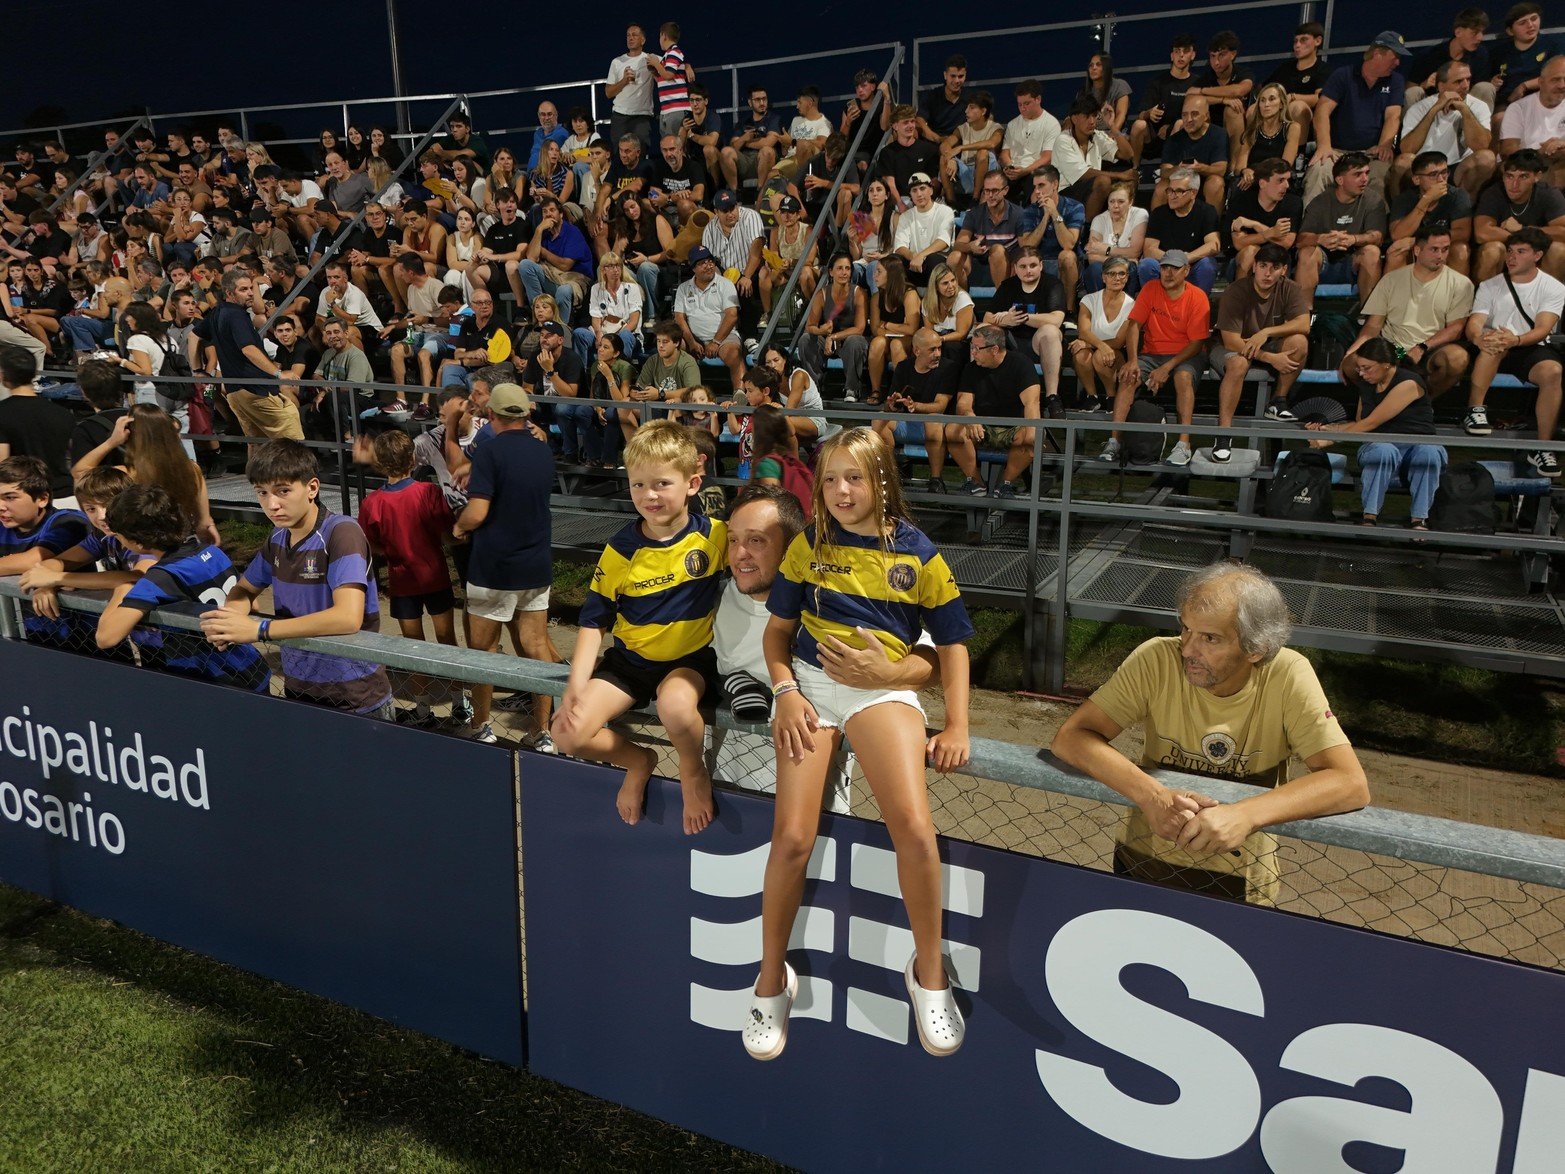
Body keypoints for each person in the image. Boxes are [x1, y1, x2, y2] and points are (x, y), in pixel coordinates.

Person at [746, 426, 972, 1061]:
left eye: (856, 477)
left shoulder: (919, 554)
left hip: (879, 692)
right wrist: (787, 690)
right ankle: (771, 980)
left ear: (882, 480)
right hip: (811, 689)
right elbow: (777, 636)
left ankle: (929, 974)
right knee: (791, 837)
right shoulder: (808, 548)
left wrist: (956, 724)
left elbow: (952, 644)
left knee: (914, 827)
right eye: (831, 478)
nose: (843, 491)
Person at [1052, 563, 1369, 906]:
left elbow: (1350, 784)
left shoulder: (1288, 675)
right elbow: (1071, 736)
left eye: (1210, 638)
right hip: (1142, 862)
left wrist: (1245, 815)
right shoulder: (1157, 659)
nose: (1187, 649)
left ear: (1255, 649)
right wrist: (1152, 797)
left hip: (1241, 881)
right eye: (1186, 628)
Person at [552, 420, 726, 834]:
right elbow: (594, 621)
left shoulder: (716, 536)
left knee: (676, 707)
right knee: (567, 734)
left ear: (693, 483)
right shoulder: (620, 550)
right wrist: (576, 685)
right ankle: (639, 761)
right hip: (629, 662)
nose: (649, 495)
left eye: (662, 483)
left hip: (690, 661)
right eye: (637, 485)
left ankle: (692, 770)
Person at [199, 440, 393, 717]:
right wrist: (231, 620)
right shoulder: (278, 536)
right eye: (262, 493)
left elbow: (348, 618)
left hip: (355, 696)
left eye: (283, 491)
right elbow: (243, 589)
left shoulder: (341, 533)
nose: (272, 504)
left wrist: (258, 630)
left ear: (312, 488)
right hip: (300, 687)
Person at [449, 384, 559, 745]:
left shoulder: (491, 451)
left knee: (484, 651)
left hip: (494, 567)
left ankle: (481, 726)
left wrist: (460, 525)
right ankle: (542, 731)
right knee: (536, 647)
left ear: (492, 416)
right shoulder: (543, 450)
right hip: (536, 565)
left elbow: (478, 511)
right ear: (525, 414)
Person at [93, 486, 271, 692]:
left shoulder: (161, 577)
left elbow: (106, 637)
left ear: (137, 542)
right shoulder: (213, 552)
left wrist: (122, 589)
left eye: (119, 536)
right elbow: (254, 604)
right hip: (252, 669)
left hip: (210, 681)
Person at [357, 430, 461, 726]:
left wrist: (391, 549)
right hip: (436, 577)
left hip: (402, 582)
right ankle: (459, 701)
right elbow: (446, 532)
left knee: (413, 645)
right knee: (446, 640)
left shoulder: (372, 503)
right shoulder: (428, 492)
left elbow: (371, 543)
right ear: (412, 459)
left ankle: (423, 708)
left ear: (379, 463)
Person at [1310, 337, 1448, 529]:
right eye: (1360, 368)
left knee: (1429, 452)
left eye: (1367, 368)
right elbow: (1360, 423)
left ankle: (1419, 519)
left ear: (1386, 365)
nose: (1361, 373)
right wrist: (1327, 430)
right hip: (1379, 446)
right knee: (1383, 450)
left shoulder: (1408, 383)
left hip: (1415, 448)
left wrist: (1330, 440)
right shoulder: (1366, 384)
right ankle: (1369, 516)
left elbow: (1372, 422)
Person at [1463, 227, 1564, 477]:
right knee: (1492, 344)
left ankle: (1542, 446)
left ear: (1537, 255)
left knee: (1553, 371)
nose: (1511, 257)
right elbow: (1475, 322)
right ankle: (1475, 410)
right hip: (1493, 345)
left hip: (1526, 345)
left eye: (1520, 252)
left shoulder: (1553, 287)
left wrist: (1516, 339)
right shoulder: (1490, 285)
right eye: (1510, 251)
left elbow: (1542, 328)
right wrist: (1479, 337)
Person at [1207, 244, 1311, 460]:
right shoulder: (1236, 291)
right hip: (1231, 347)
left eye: (1274, 268)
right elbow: (1231, 341)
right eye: (1263, 266)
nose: (1267, 273)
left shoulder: (1290, 288)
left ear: (1283, 270)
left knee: (1299, 342)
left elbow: (1304, 324)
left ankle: (1277, 401)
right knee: (1239, 363)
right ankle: (1223, 435)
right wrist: (1270, 358)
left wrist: (1266, 332)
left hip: (1266, 343)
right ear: (1254, 266)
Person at [1110, 251, 1211, 467]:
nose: (1168, 273)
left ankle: (1184, 444)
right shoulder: (1150, 288)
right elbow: (1134, 324)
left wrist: (1167, 367)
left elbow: (1196, 343)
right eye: (1165, 267)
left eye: (1175, 268)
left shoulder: (1197, 296)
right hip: (1152, 353)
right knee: (1129, 375)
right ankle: (1114, 441)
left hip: (1186, 354)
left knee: (1183, 377)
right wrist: (1133, 359)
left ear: (1186, 271)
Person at [1346, 229, 1474, 398]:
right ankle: (1378, 403)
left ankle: (1421, 402)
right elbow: (1372, 326)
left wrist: (1422, 347)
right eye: (1434, 249)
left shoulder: (1461, 283)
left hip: (1430, 349)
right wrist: (1350, 353)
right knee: (1350, 364)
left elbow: (1456, 328)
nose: (1440, 256)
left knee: (1457, 358)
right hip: (1395, 349)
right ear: (1417, 250)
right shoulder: (1392, 280)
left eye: (1445, 249)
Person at [71, 403, 220, 547]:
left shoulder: (129, 473)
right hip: (186, 541)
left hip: (149, 548)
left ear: (131, 435)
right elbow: (204, 522)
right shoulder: (192, 468)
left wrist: (112, 441)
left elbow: (79, 472)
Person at [1305, 31, 1411, 206]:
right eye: (1395, 57)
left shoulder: (1396, 81)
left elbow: (1393, 115)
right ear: (1377, 54)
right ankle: (1309, 229)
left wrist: (1385, 144)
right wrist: (1324, 145)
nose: (1398, 62)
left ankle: (1375, 230)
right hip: (1337, 151)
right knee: (1319, 170)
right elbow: (1322, 109)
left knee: (1380, 175)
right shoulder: (1343, 75)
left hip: (1370, 153)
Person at [948, 322, 1046, 500]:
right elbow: (963, 403)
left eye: (977, 348)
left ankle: (1005, 484)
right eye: (972, 347)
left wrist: (1032, 431)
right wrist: (970, 416)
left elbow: (1031, 403)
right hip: (982, 427)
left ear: (994, 349)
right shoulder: (971, 368)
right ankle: (976, 482)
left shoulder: (1021, 364)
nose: (973, 353)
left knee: (1033, 436)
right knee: (953, 430)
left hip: (1014, 427)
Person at [1296, 152, 1389, 301]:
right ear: (1340, 179)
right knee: (1307, 252)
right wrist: (1321, 239)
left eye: (1366, 173)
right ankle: (1302, 316)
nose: (1365, 179)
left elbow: (1377, 237)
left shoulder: (1373, 200)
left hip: (1354, 260)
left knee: (1372, 251)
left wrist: (1353, 239)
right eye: (1358, 174)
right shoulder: (1320, 202)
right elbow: (1301, 239)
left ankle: (1368, 315)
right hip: (1324, 261)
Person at [1398, 62, 1496, 200]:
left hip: (1459, 168)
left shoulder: (1478, 106)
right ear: (1441, 86)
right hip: (1426, 167)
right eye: (1458, 81)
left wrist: (1465, 110)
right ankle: (1400, 214)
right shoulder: (1419, 108)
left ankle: (1464, 209)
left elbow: (1481, 146)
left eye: (1468, 79)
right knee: (1403, 161)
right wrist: (1434, 110)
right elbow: (1407, 149)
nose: (1466, 85)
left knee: (1487, 157)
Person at [874, 327, 957, 485]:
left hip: (937, 426)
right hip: (908, 422)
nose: (938, 354)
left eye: (939, 348)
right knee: (879, 419)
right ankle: (891, 477)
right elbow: (890, 404)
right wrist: (892, 405)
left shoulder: (948, 368)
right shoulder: (904, 367)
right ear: (917, 351)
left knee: (932, 420)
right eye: (932, 350)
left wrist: (915, 406)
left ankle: (936, 479)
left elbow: (940, 406)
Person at [984, 245, 1067, 403]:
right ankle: (982, 392)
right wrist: (1006, 320)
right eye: (1023, 266)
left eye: (1033, 265)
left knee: (1050, 331)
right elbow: (987, 317)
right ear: (1015, 267)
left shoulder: (1052, 284)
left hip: (1039, 343)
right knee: (983, 330)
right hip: (1012, 342)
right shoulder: (1008, 285)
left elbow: (1056, 319)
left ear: (1041, 266)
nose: (1028, 270)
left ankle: (1052, 397)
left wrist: (1022, 317)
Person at [1473, 148, 1565, 284]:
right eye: (1510, 176)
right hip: (1506, 251)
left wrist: (1522, 229)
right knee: (1492, 250)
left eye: (1523, 177)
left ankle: (1543, 301)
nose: (1514, 184)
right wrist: (1523, 236)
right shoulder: (1493, 193)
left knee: (1558, 250)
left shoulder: (1549, 194)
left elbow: (1562, 232)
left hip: (1535, 252)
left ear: (1537, 176)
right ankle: (1488, 302)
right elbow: (1482, 233)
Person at [0, 344, 76, 502]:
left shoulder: (3, 412)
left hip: (22, 499)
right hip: (64, 495)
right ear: (34, 373)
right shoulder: (62, 413)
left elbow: (2, 462)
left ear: (3, 376)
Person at [0, 456, 91, 585]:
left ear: (42, 499)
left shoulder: (70, 522)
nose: (1, 507)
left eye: (9, 497)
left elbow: (34, 561)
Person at [1386, 151, 1475, 276]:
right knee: (1397, 250)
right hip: (1417, 251)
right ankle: (1394, 294)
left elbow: (1463, 233)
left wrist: (1421, 241)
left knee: (1460, 249)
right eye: (1433, 175)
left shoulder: (1457, 195)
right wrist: (1426, 200)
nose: (1441, 179)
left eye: (1444, 172)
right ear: (1417, 179)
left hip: (1441, 247)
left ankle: (1457, 294)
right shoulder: (1404, 199)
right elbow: (1397, 235)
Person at [797, 253, 867, 402]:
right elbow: (810, 326)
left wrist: (833, 337)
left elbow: (860, 328)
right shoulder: (821, 294)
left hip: (847, 340)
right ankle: (814, 386)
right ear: (831, 272)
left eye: (847, 268)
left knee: (856, 341)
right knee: (805, 339)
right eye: (840, 268)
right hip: (827, 340)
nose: (844, 272)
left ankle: (852, 389)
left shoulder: (858, 293)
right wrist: (822, 331)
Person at [1139, 167, 1221, 294]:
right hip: (1165, 265)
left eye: (1179, 191)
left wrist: (1186, 258)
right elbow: (1149, 249)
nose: (1172, 196)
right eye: (1170, 190)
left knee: (1207, 264)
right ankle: (1155, 307)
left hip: (1192, 265)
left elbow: (1213, 245)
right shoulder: (1159, 213)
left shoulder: (1206, 211)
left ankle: (1198, 307)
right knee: (1147, 264)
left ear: (1193, 193)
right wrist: (1174, 260)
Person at [1070, 256, 1135, 415]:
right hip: (1099, 350)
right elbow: (1083, 331)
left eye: (1121, 274)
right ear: (1103, 277)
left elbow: (1119, 341)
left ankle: (1112, 397)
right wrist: (1098, 345)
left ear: (1127, 278)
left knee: (1100, 355)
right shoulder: (1089, 299)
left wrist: (1092, 344)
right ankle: (1092, 397)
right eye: (1112, 274)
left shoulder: (1132, 305)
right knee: (1080, 353)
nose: (1117, 278)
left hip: (1118, 355)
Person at [674, 245, 744, 390]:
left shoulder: (725, 284)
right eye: (702, 263)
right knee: (674, 346)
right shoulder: (683, 288)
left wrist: (715, 342)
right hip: (695, 338)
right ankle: (682, 394)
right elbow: (679, 318)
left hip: (723, 338)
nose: (708, 266)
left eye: (710, 261)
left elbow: (732, 316)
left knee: (733, 353)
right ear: (693, 268)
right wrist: (692, 342)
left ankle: (740, 395)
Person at [1053, 95, 1133, 221]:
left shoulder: (1097, 136)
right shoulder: (1063, 140)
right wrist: (1119, 175)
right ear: (1074, 119)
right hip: (1064, 194)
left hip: (1090, 190)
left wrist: (1112, 126)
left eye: (1094, 116)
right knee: (1103, 181)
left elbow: (1127, 154)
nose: (1092, 121)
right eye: (1086, 116)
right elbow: (1082, 174)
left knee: (1131, 177)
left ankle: (1122, 226)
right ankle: (1086, 229)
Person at [519, 196, 593, 325]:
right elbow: (531, 258)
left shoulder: (572, 232)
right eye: (545, 211)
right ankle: (539, 318)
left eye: (552, 210)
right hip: (552, 276)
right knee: (525, 265)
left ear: (561, 214)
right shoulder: (544, 233)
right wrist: (539, 229)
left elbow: (565, 266)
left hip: (574, 279)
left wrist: (544, 252)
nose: (548, 214)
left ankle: (561, 329)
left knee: (563, 290)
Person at [1129, 34, 1198, 170]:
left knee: (1180, 124)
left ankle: (1169, 172)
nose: (1181, 56)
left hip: (1181, 135)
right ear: (1172, 56)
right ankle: (1134, 170)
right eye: (1177, 52)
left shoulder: (1197, 83)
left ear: (1193, 55)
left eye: (1185, 51)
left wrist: (1170, 127)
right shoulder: (1158, 82)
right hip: (1155, 139)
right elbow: (1141, 114)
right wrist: (1149, 113)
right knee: (1139, 125)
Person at [948, 171, 1027, 289]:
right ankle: (962, 302)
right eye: (986, 191)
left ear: (1005, 190)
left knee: (998, 250)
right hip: (978, 259)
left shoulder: (1018, 213)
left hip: (1005, 260)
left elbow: (1024, 247)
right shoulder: (974, 214)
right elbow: (958, 245)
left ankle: (1001, 301)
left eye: (995, 190)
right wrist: (970, 246)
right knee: (954, 257)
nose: (990, 195)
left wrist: (1017, 262)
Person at [1225, 157, 1302, 278]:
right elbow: (1239, 243)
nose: (1286, 185)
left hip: (1279, 257)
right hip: (1242, 259)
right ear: (1262, 183)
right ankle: (1241, 295)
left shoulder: (1293, 203)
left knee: (1276, 255)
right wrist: (1270, 233)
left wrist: (1257, 226)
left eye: (1288, 180)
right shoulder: (1242, 200)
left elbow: (1286, 243)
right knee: (1251, 251)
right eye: (1280, 180)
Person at [1498, 53, 1565, 188]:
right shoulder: (1519, 108)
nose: (1562, 85)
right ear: (1540, 82)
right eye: (1555, 80)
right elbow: (1508, 153)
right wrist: (1541, 153)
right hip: (1527, 166)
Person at [1405, 8, 1495, 109]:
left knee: (1486, 87)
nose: (1480, 38)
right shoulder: (1429, 56)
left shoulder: (1481, 55)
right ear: (1458, 32)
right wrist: (1424, 84)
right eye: (1475, 33)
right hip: (1433, 108)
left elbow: (1479, 91)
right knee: (1413, 92)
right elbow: (1410, 89)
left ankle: (1479, 124)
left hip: (1465, 108)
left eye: (1482, 32)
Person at [1189, 29, 1255, 165]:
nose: (1216, 62)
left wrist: (1203, 92)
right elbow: (1190, 96)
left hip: (1241, 129)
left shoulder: (1243, 72)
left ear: (1233, 54)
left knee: (1233, 111)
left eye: (1221, 55)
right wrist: (1223, 100)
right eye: (1212, 56)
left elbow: (1239, 90)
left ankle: (1234, 170)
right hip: (1212, 128)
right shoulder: (1207, 78)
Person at [865, 256, 923, 404]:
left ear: (891, 274)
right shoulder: (877, 297)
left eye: (879, 271)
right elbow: (875, 328)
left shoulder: (909, 294)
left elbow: (912, 328)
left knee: (896, 344)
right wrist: (896, 329)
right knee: (877, 342)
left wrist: (888, 325)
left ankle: (901, 393)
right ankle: (876, 390)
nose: (874, 275)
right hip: (889, 338)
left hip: (908, 340)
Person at [1491, 2, 1565, 110]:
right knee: (1499, 119)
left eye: (1534, 19)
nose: (1530, 25)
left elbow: (1558, 77)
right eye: (1522, 23)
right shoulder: (1499, 53)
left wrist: (1525, 85)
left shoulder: (1553, 46)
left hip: (1545, 100)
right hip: (1510, 104)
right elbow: (1492, 81)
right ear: (1510, 31)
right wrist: (1493, 82)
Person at [1265, 21, 1332, 134]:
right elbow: (1263, 89)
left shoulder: (1323, 69)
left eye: (1303, 40)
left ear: (1318, 41)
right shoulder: (1285, 68)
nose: (1297, 45)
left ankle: (1299, 150)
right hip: (1279, 114)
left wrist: (1292, 97)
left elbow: (1320, 98)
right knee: (1254, 108)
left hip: (1309, 121)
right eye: (1295, 41)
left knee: (1297, 106)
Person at [999, 80, 1061, 204]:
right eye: (1019, 104)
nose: (1022, 108)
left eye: (1026, 103)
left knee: (1035, 183)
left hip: (1036, 172)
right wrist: (1009, 167)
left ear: (1038, 99)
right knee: (994, 184)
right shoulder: (1012, 124)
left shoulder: (1051, 124)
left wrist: (1025, 171)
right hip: (1015, 171)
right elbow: (1005, 153)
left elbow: (1047, 158)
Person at [892, 172, 955, 288]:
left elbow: (943, 241)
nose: (919, 194)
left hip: (935, 262)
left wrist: (921, 255)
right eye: (914, 190)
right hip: (913, 263)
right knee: (894, 261)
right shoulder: (906, 216)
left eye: (922, 188)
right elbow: (900, 246)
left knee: (933, 259)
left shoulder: (945, 211)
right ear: (910, 195)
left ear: (931, 190)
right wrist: (913, 256)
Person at [939, 90, 1003, 201]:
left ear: (983, 111)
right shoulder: (963, 128)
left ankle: (975, 199)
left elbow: (991, 143)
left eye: (972, 108)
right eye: (967, 107)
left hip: (989, 172)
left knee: (982, 153)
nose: (966, 111)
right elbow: (945, 144)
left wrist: (961, 147)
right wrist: (951, 158)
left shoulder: (996, 128)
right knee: (943, 158)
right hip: (967, 171)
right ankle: (951, 203)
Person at [721, 86, 785, 197]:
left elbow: (768, 143)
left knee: (767, 151)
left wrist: (745, 141)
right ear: (750, 103)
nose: (762, 103)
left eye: (764, 99)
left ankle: (760, 193)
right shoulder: (743, 122)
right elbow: (733, 146)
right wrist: (744, 137)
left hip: (764, 160)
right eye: (757, 100)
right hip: (745, 161)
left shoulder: (774, 119)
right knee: (726, 151)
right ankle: (735, 194)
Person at [1084, 182, 1147, 292]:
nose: (1115, 206)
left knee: (1129, 267)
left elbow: (1135, 252)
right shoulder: (1099, 220)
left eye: (1121, 201)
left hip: (1129, 269)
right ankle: (1096, 306)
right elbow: (1092, 257)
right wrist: (1122, 260)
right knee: (1094, 269)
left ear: (1130, 202)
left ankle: (1127, 307)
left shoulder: (1139, 214)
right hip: (1107, 267)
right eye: (1111, 201)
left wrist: (1106, 249)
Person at [607, 25, 658, 155]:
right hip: (620, 115)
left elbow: (672, 65)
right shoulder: (617, 62)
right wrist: (624, 80)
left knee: (640, 151)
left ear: (643, 40)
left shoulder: (650, 59)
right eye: (628, 35)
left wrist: (686, 65)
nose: (630, 38)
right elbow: (608, 93)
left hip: (642, 115)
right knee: (619, 154)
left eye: (634, 35)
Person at [651, 22, 695, 140]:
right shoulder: (667, 56)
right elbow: (662, 80)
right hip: (667, 109)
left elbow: (668, 75)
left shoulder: (674, 52)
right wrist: (653, 70)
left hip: (677, 109)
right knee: (668, 147)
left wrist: (655, 62)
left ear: (663, 35)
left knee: (676, 147)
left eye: (660, 36)